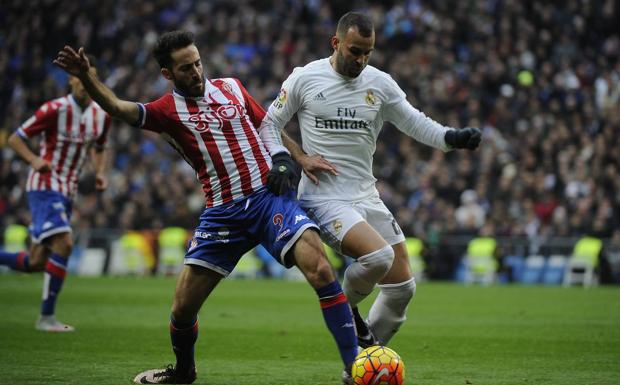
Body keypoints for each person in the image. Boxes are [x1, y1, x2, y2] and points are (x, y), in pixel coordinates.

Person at [53, 30, 358, 385]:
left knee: (320, 269)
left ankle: (353, 368)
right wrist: (88, 76)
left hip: (268, 197)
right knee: (182, 309)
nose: (196, 72)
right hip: (223, 212)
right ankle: (183, 372)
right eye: (185, 68)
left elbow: (266, 124)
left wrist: (294, 158)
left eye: (197, 63)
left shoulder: (231, 87)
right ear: (168, 74)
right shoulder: (166, 111)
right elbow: (118, 108)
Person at [260, 11, 481, 357]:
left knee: (402, 288)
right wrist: (294, 158)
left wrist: (451, 138)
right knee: (377, 257)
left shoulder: (379, 84)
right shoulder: (305, 78)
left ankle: (362, 364)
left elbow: (414, 122)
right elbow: (268, 123)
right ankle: (344, 310)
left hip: (366, 194)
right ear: (336, 43)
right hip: (323, 196)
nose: (361, 60)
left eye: (368, 52)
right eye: (354, 51)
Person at [0, 57, 110, 332]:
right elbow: (15, 138)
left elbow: (99, 146)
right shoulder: (54, 109)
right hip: (45, 185)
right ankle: (46, 317)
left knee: (36, 262)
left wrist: (99, 172)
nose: (84, 84)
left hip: (68, 191)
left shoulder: (101, 115)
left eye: (90, 79)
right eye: (80, 77)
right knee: (65, 244)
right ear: (71, 80)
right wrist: (34, 160)